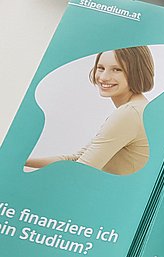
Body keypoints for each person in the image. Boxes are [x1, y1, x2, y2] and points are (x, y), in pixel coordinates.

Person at [25, 46, 154, 175]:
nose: (104, 77)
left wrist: (21, 173)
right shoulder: (137, 108)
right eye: (101, 68)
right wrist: (23, 162)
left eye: (117, 69)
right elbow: (76, 159)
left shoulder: (129, 113)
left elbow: (80, 171)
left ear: (137, 71)